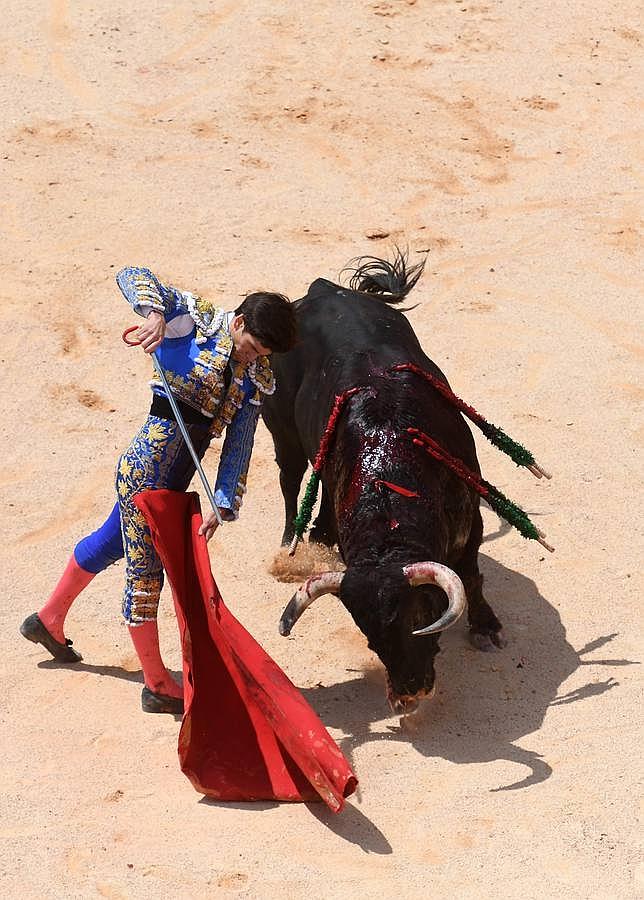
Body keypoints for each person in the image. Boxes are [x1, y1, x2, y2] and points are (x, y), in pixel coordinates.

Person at [20, 266, 297, 713]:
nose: (252, 357)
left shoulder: (254, 377)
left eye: (262, 353)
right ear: (241, 323)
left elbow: (239, 445)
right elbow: (133, 274)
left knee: (110, 542)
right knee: (146, 574)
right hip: (143, 473)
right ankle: (156, 683)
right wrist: (152, 314)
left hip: (173, 480)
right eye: (252, 347)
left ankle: (48, 620)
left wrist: (223, 503)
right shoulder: (192, 322)